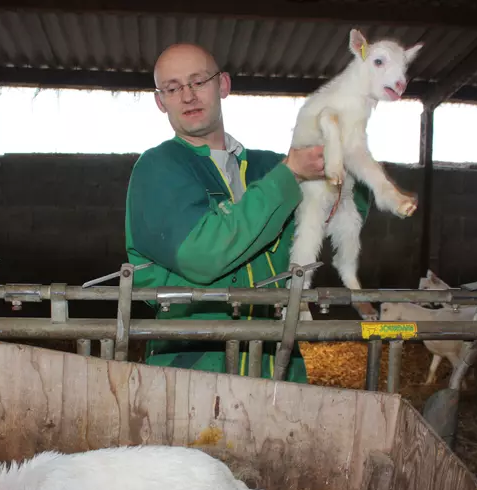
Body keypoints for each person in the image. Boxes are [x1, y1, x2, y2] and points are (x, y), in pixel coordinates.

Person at [124, 43, 368, 382]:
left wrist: (341, 165)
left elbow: (344, 213)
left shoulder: (269, 167)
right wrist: (291, 175)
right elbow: (202, 254)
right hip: (193, 369)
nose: (188, 96)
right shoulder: (158, 170)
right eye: (173, 87)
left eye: (199, 81)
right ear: (160, 101)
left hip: (278, 366)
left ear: (223, 85)